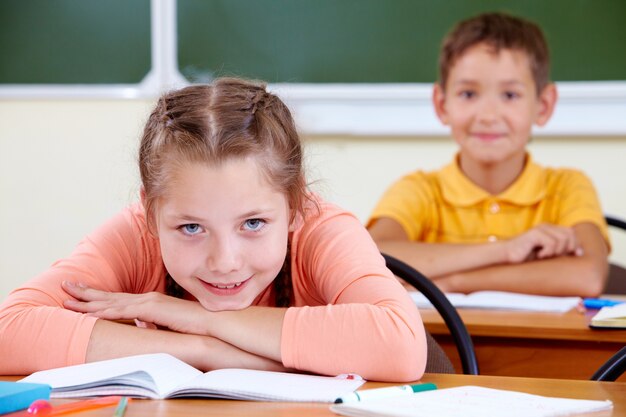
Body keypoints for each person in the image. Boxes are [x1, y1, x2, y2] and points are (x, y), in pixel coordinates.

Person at [0, 78, 426, 380]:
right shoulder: (136, 235)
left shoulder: (323, 231)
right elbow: (9, 331)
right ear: (151, 213)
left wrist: (190, 315)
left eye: (253, 223)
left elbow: (401, 344)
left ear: (295, 205)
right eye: (190, 227)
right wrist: (204, 349)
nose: (225, 261)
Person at [367, 13, 609, 297]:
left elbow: (588, 276)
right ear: (442, 104)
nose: (488, 116)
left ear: (543, 106)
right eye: (468, 94)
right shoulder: (419, 190)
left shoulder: (567, 187)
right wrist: (507, 249)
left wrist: (456, 282)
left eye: (510, 95)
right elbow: (374, 258)